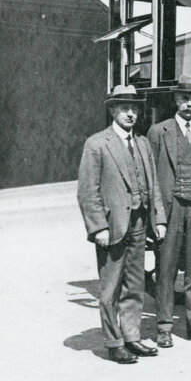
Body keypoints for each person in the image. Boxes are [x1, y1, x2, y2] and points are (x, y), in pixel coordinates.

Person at [77, 85, 167, 363]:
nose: (130, 113)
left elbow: (153, 185)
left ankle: (131, 336)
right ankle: (114, 342)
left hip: (140, 222)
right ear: (113, 110)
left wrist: (159, 219)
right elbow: (87, 191)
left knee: (135, 283)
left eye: (135, 108)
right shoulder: (96, 144)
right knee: (110, 286)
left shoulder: (141, 143)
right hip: (113, 226)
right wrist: (98, 227)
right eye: (124, 108)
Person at [147, 74, 191, 347]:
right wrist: (157, 216)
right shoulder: (158, 131)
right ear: (176, 100)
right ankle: (164, 326)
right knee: (166, 268)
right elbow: (152, 177)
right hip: (171, 206)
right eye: (185, 99)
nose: (189, 104)